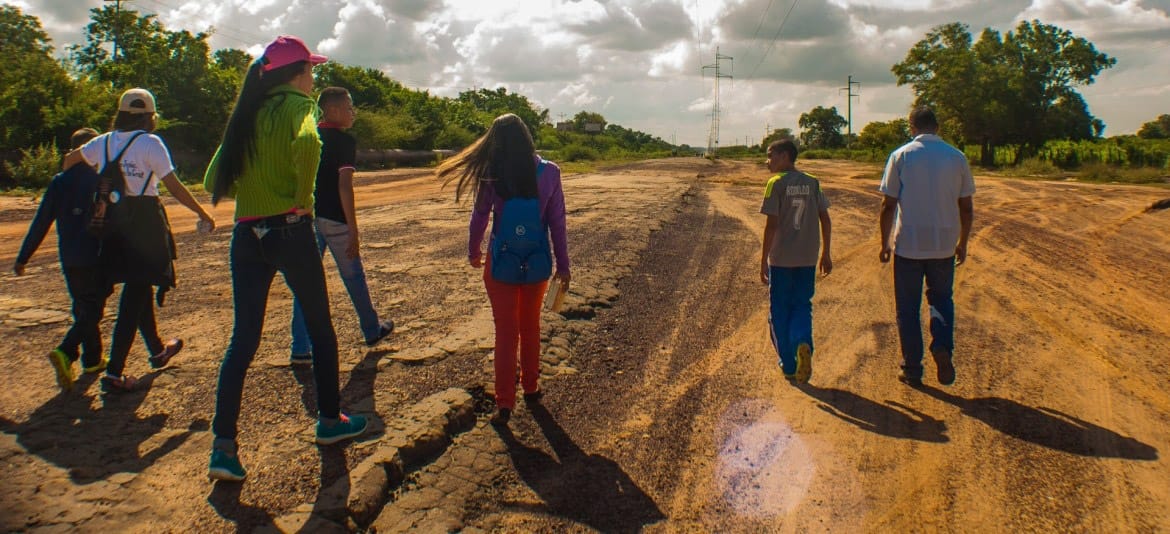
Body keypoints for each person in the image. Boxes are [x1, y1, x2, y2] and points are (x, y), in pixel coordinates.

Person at [202, 35, 367, 482]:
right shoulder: (301, 107)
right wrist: (299, 200)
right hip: (289, 230)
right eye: (311, 69)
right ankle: (330, 422)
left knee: (243, 340)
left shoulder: (247, 114)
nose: (313, 76)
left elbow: (213, 179)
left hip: (245, 233)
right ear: (298, 74)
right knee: (320, 328)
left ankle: (223, 447)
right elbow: (309, 146)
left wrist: (254, 189)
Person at [61, 88, 213, 393]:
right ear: (149, 115)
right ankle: (114, 372)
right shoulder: (150, 143)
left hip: (114, 222)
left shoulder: (103, 141)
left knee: (137, 286)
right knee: (135, 294)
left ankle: (157, 350)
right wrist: (202, 212)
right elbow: (172, 184)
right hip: (144, 221)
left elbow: (68, 162)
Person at [437, 113, 570, 426]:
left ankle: (505, 402)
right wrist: (563, 265)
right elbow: (557, 222)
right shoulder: (550, 172)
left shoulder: (491, 174)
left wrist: (473, 252)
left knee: (506, 332)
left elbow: (479, 218)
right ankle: (532, 387)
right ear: (527, 137)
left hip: (501, 264)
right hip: (537, 263)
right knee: (530, 326)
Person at [288, 87, 393, 364]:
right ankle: (371, 329)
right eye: (348, 108)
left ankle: (300, 347)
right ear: (333, 110)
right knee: (353, 276)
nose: (352, 113)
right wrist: (353, 228)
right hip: (335, 219)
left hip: (307, 218)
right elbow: (344, 186)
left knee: (306, 284)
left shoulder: (308, 136)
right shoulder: (344, 142)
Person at [878, 106, 975, 387]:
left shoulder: (901, 156)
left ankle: (912, 368)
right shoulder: (957, 158)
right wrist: (963, 242)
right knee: (941, 299)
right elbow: (966, 208)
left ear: (912, 127)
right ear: (938, 127)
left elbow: (888, 205)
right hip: (944, 244)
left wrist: (885, 243)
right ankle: (942, 346)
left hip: (908, 244)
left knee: (907, 308)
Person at [758, 138, 832, 384]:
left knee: (779, 309)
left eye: (771, 155)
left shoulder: (775, 183)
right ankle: (802, 341)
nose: (768, 161)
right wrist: (826, 252)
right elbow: (826, 219)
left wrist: (763, 260)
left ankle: (789, 365)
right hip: (808, 257)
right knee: (802, 304)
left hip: (781, 259)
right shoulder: (812, 182)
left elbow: (771, 226)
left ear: (785, 156)